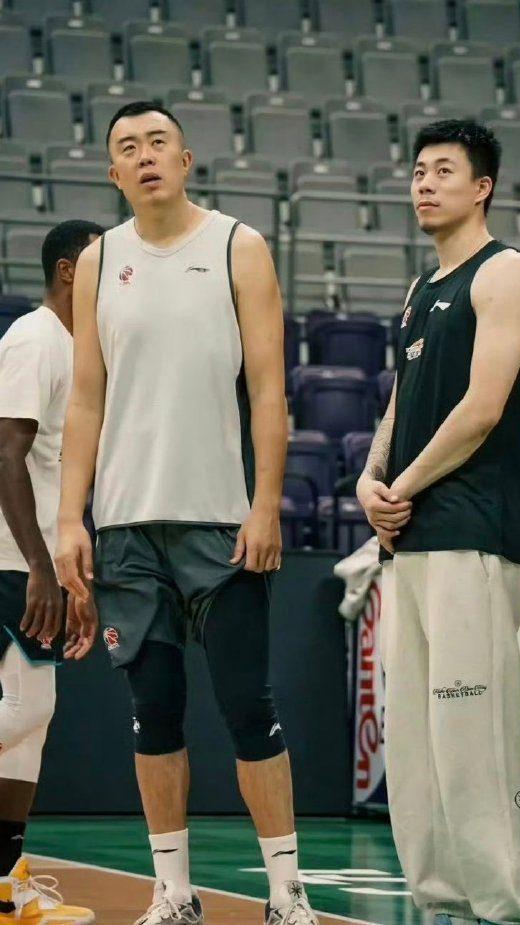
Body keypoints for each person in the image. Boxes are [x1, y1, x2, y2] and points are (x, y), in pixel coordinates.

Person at [55, 101, 319, 925]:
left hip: (220, 521)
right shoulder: (99, 259)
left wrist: (265, 503)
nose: (145, 156)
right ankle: (173, 892)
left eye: (157, 142)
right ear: (113, 173)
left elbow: (269, 391)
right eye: (127, 148)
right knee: (154, 712)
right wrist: (69, 519)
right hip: (126, 528)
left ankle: (288, 893)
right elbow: (86, 399)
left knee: (249, 709)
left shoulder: (239, 246)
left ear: (186, 158)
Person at [356, 119, 520, 925]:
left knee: (472, 726)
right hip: (410, 535)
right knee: (415, 729)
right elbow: (402, 402)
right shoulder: (419, 288)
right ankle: (439, 895)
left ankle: (500, 902)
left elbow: (481, 408)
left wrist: (401, 485)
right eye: (418, 172)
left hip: (474, 530)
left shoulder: (507, 273)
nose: (424, 184)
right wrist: (370, 479)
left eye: (443, 171)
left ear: (482, 186)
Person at [0, 220, 102, 923]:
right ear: (68, 270)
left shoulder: (80, 347)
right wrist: (39, 564)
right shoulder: (34, 339)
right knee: (26, 709)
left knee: (31, 720)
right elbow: (6, 451)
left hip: (38, 558)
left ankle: (7, 880)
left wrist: (68, 567)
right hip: (12, 557)